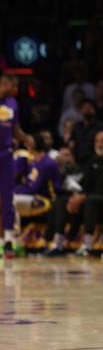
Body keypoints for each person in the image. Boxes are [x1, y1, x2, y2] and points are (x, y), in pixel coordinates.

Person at [44, 131, 103, 257]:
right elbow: (84, 184)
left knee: (89, 201)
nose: (100, 144)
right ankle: (58, 243)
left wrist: (83, 197)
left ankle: (87, 245)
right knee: (62, 201)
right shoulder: (92, 160)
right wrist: (76, 196)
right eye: (97, 141)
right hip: (91, 196)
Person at [0, 73, 26, 258]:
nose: (15, 90)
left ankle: (8, 240)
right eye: (13, 86)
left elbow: (15, 129)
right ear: (4, 83)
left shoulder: (12, 103)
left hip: (6, 155)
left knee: (8, 197)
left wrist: (28, 139)